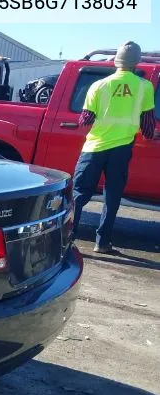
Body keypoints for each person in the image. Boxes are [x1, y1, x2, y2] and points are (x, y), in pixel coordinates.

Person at [71, 41, 156, 253]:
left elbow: (85, 119)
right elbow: (147, 121)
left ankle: (68, 237)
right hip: (122, 148)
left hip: (94, 147)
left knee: (79, 193)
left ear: (116, 61)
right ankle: (102, 242)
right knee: (112, 195)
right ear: (137, 62)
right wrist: (147, 134)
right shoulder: (144, 86)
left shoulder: (99, 85)